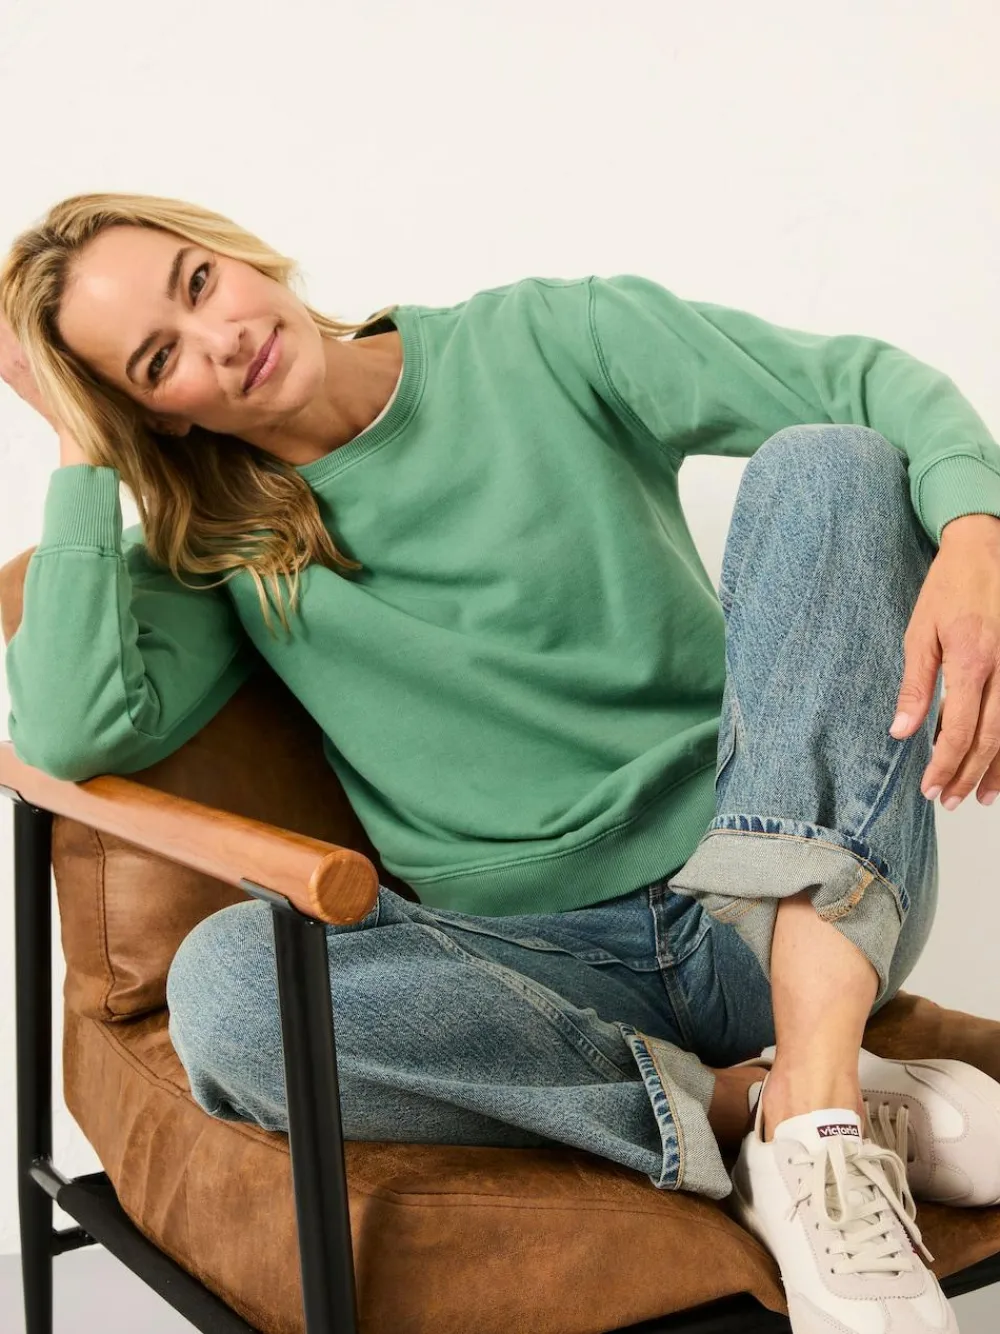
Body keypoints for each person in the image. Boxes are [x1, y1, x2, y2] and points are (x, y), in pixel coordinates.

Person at [2, 192, 1000, 1334]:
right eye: (158, 360)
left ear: (234, 252)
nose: (220, 337)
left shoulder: (542, 338)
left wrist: (977, 535)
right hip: (534, 978)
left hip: (775, 901)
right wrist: (82, 449)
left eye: (195, 282)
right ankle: (766, 1109)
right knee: (229, 994)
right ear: (155, 414)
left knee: (834, 461)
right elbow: (69, 729)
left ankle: (817, 1099)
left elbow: (863, 383)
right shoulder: (218, 550)